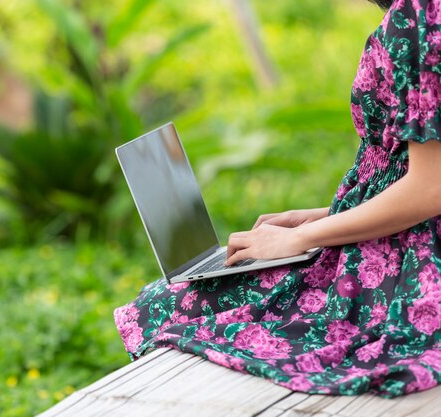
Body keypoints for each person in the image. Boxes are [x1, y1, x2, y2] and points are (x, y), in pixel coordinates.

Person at [113, 0, 441, 398]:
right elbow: (411, 171)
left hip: (411, 268)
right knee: (177, 299)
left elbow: (430, 188)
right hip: (395, 243)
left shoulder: (422, 12)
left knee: (168, 306)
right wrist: (318, 219)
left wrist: (302, 239)